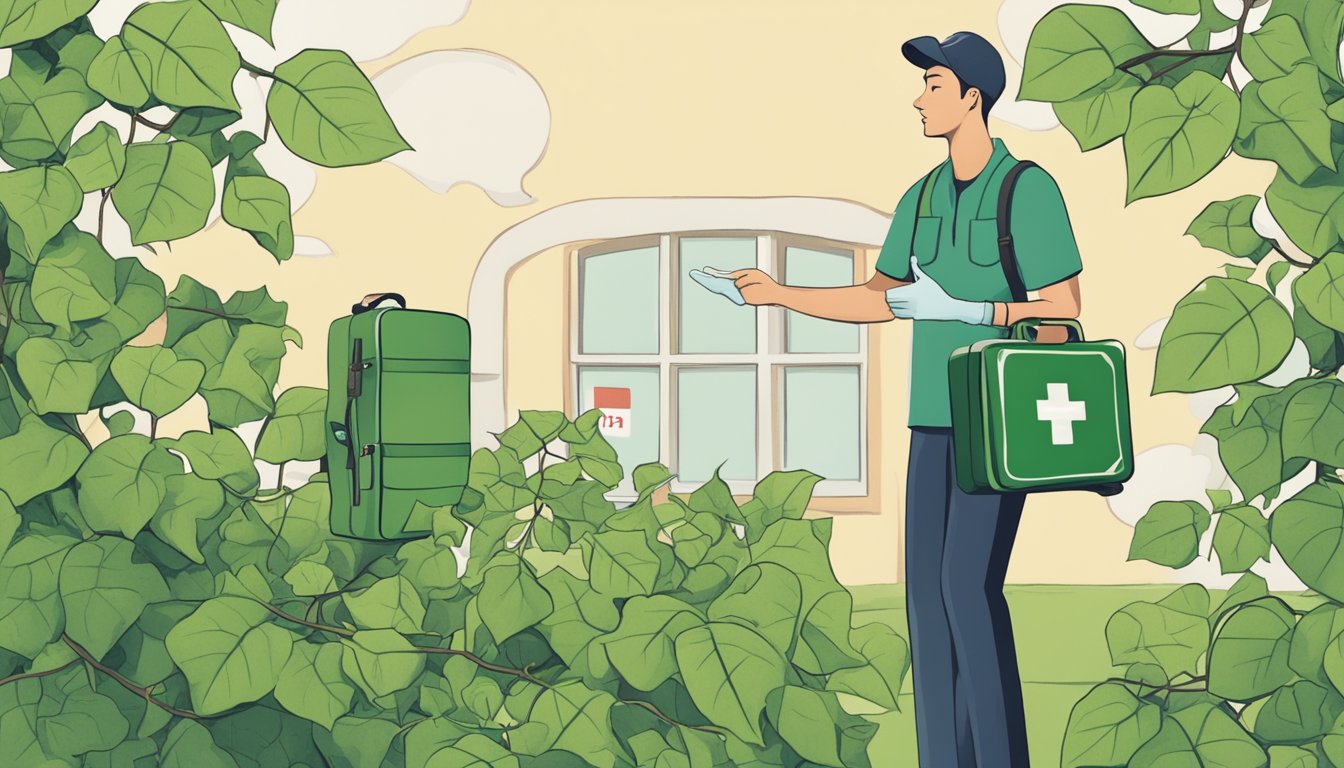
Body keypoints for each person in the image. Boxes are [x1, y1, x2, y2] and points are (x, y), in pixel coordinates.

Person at [690, 30, 1083, 768]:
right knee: (926, 606)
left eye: (933, 85)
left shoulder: (1025, 189)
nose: (919, 98)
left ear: (972, 97)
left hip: (997, 424)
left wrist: (981, 314)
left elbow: (1063, 310)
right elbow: (883, 300)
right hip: (931, 418)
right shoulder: (921, 196)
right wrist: (777, 295)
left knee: (966, 589)